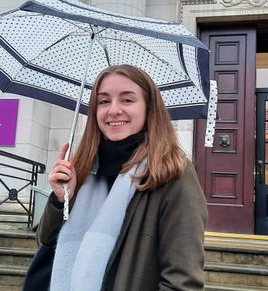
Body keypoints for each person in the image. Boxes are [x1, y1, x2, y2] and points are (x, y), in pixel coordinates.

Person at [36, 64, 208, 291]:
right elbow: (44, 242)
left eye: (127, 100)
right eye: (104, 101)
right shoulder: (84, 169)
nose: (113, 110)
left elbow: (182, 282)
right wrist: (60, 199)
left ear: (149, 108)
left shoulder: (173, 173)